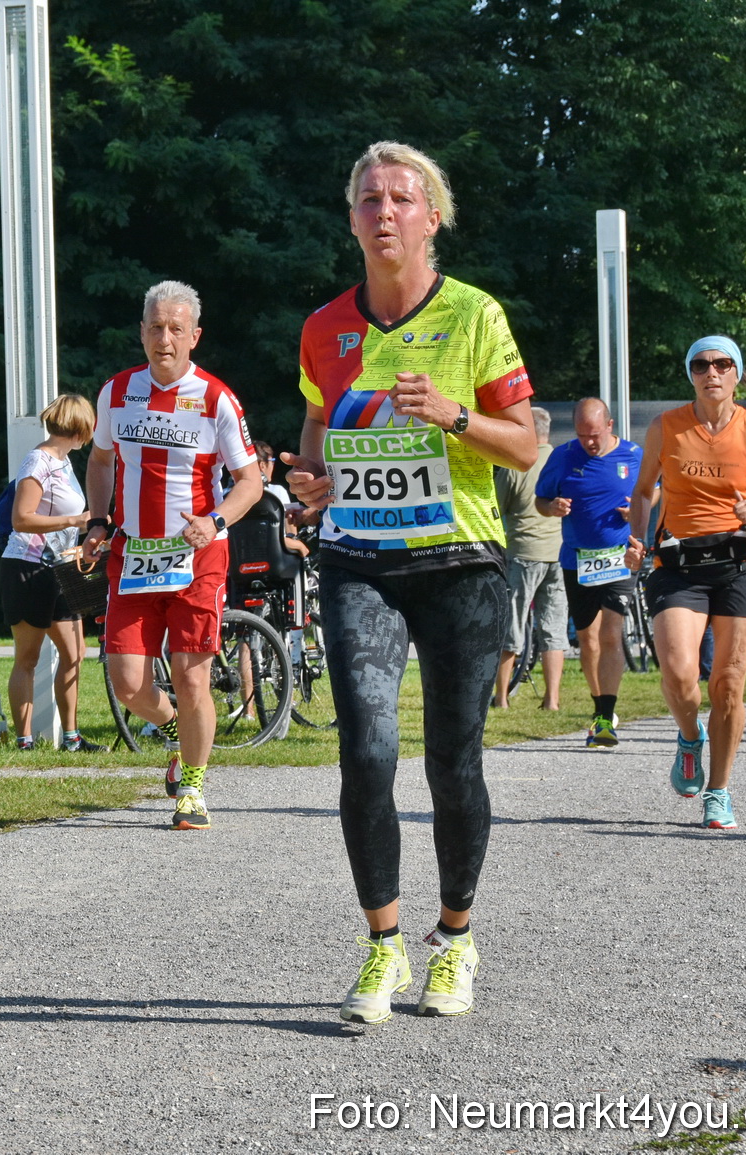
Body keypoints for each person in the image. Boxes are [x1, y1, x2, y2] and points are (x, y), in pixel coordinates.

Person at [282, 141, 536, 1024]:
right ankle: (383, 944)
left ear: (433, 217)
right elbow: (317, 433)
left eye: (401, 198)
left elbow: (527, 443)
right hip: (360, 562)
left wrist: (455, 415)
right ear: (351, 217)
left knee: (453, 759)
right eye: (368, 199)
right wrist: (310, 484)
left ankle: (455, 939)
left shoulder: (474, 315)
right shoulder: (325, 328)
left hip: (460, 563)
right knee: (367, 749)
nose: (384, 211)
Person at [81, 280, 261, 831]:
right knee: (128, 683)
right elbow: (101, 462)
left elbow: (249, 482)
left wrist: (216, 520)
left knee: (191, 677)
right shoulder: (115, 392)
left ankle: (193, 790)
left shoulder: (215, 398)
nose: (165, 338)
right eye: (155, 327)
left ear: (194, 336)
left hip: (195, 557)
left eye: (176, 329)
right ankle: (179, 736)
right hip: (133, 554)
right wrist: (96, 520)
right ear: (142, 332)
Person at [624, 336, 746, 830]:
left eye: (722, 364)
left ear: (737, 375)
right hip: (678, 566)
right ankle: (690, 737)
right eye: (700, 364)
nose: (711, 372)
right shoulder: (666, 427)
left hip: (740, 565)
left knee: (729, 683)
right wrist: (636, 537)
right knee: (679, 674)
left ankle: (718, 791)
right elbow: (642, 491)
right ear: (691, 374)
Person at [533, 398, 642, 746]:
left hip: (620, 557)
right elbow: (541, 500)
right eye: (582, 436)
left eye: (594, 435)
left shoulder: (633, 456)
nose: (589, 443)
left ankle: (605, 716)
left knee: (611, 632)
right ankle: (600, 707)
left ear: (610, 426)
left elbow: (656, 492)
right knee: (587, 639)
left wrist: (637, 514)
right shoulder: (563, 455)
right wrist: (553, 507)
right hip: (577, 560)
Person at [0, 393, 104, 753]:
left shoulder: (64, 462)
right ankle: (24, 740)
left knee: (74, 654)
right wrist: (76, 520)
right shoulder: (38, 461)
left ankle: (71, 737)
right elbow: (21, 518)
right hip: (27, 567)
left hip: (62, 566)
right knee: (27, 658)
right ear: (80, 427)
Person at [493, 406, 565, 711]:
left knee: (513, 626)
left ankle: (502, 698)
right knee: (554, 628)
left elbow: (496, 507)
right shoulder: (562, 463)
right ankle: (552, 700)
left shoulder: (518, 464)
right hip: (560, 554)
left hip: (523, 554)